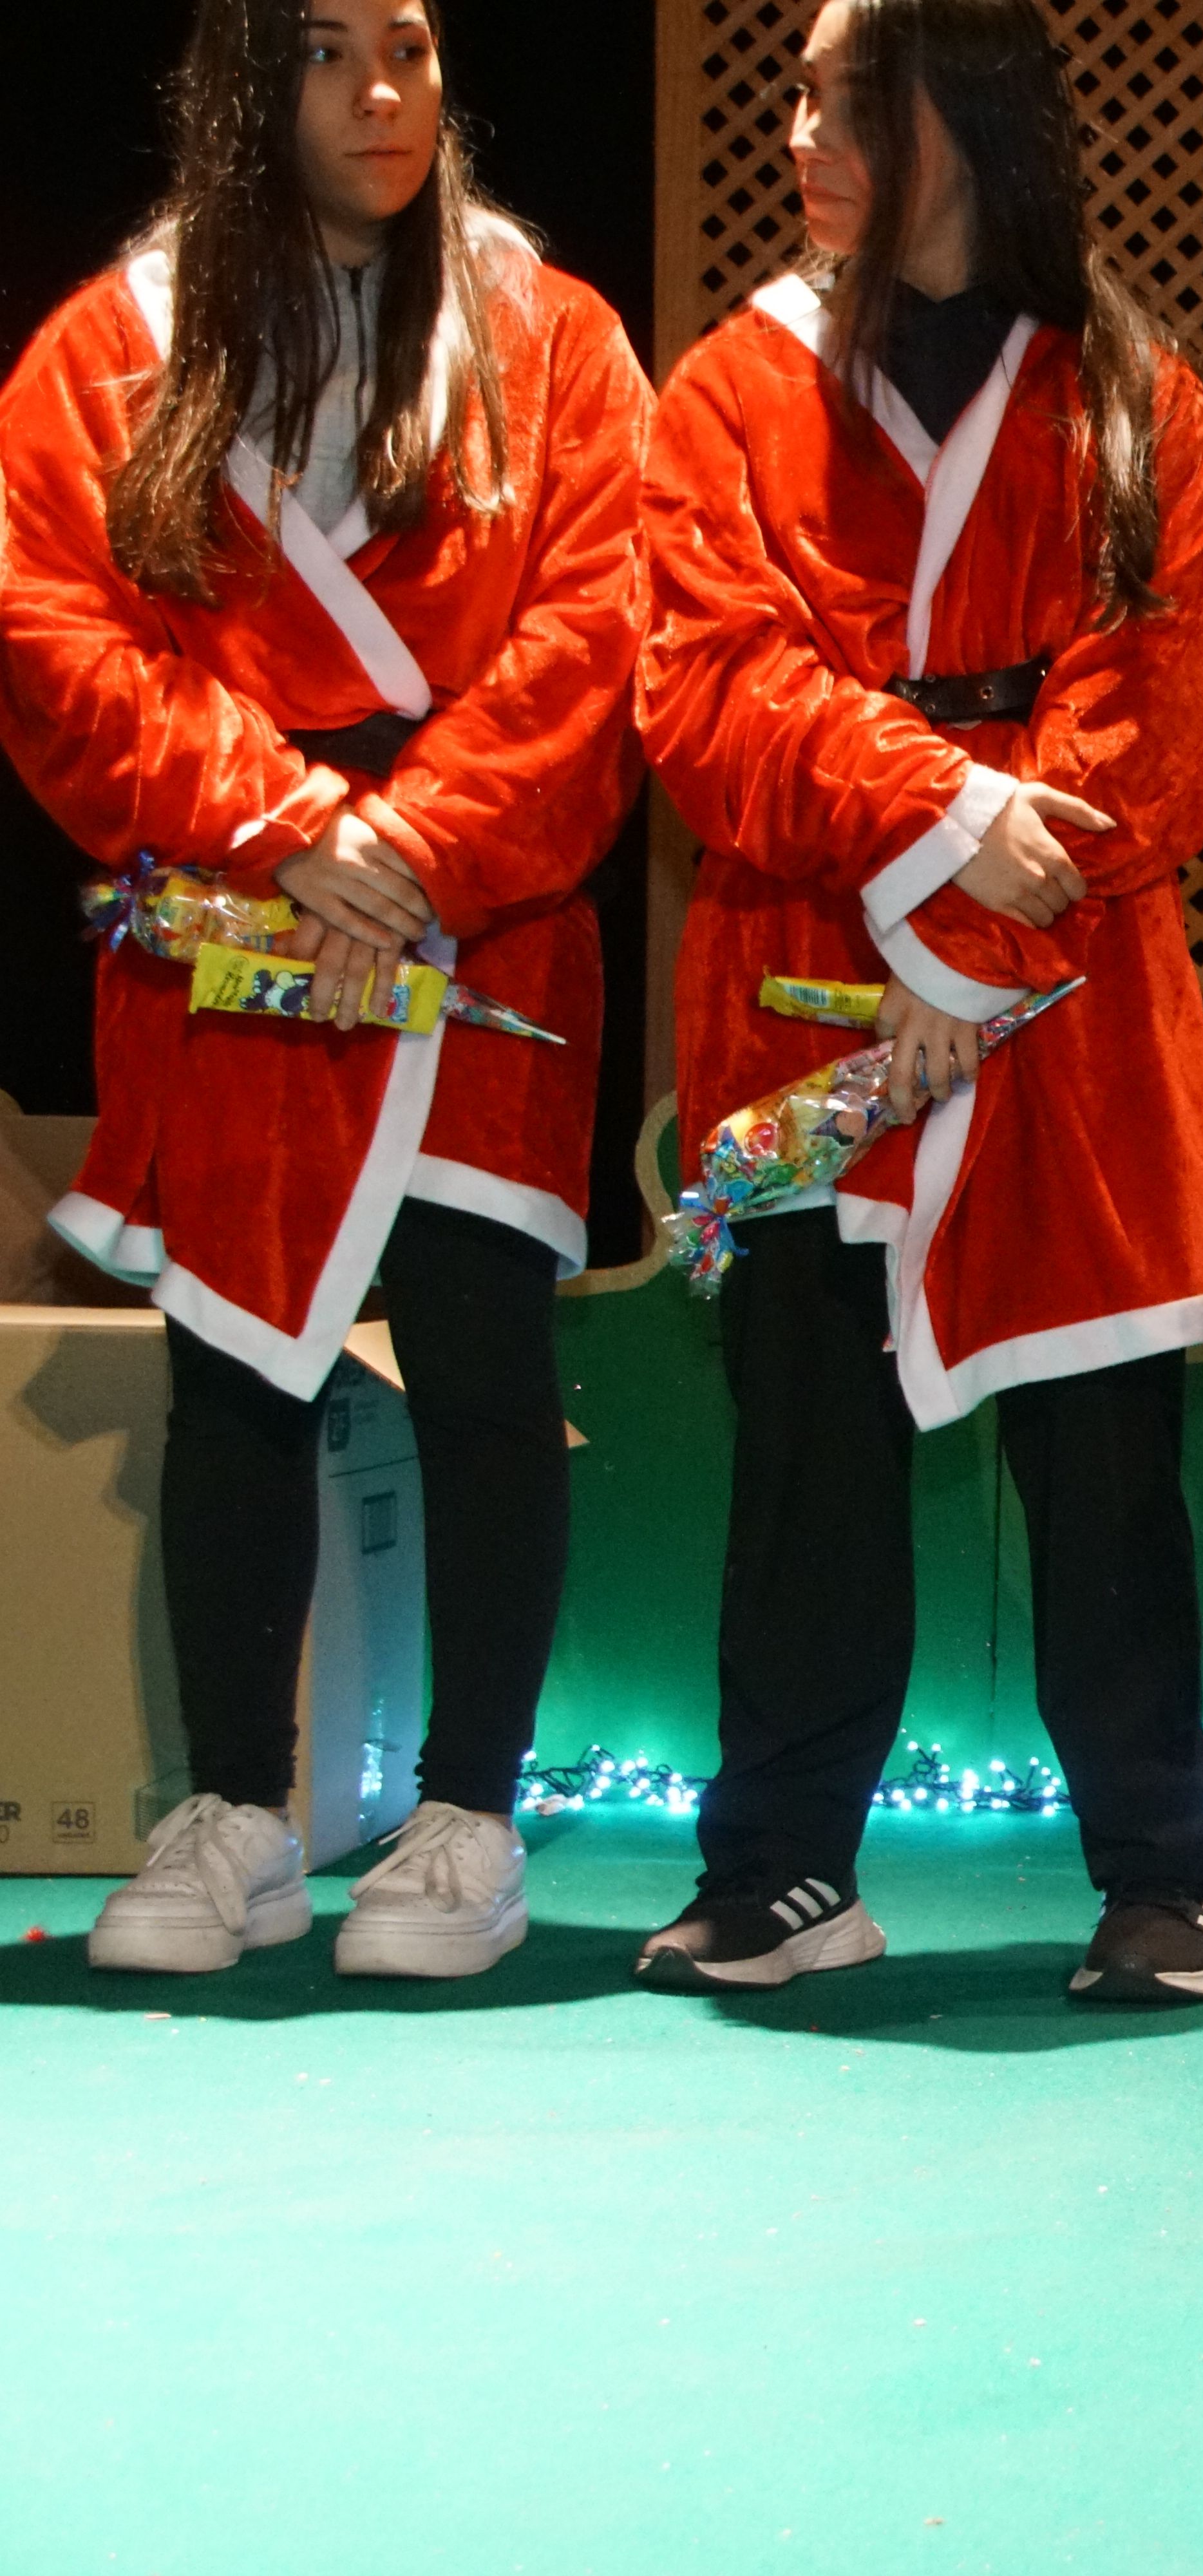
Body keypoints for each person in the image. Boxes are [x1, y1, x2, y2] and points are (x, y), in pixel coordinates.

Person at [0, 0, 649, 1978]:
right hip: (244, 916)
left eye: (417, 50)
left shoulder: (551, 332)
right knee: (236, 1380)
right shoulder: (111, 341)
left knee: (476, 1367)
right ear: (240, 86)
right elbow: (51, 629)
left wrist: (424, 848)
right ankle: (235, 1814)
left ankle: (467, 1816)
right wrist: (286, 828)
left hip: (482, 919)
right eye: (331, 54)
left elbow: (602, 620)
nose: (386, 96)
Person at [635, 0, 1203, 2003]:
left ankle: (1161, 1870)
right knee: (804, 1441)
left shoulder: (1137, 397)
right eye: (801, 90)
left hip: (1065, 992)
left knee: (1105, 1457)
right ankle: (779, 1869)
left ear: (963, 111)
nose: (795, 122)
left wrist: (964, 977)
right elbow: (704, 690)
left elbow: (1147, 749)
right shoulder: (724, 389)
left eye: (841, 92)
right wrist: (930, 818)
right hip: (798, 966)